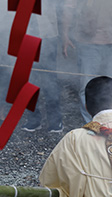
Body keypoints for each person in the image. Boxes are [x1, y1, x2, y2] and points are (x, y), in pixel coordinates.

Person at [62, 0, 112, 124]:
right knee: (86, 86)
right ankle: (91, 124)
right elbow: (68, 8)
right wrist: (65, 35)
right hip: (87, 42)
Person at [18, 0, 63, 132]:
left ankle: (55, 121)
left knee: (50, 81)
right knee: (28, 80)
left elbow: (62, 8)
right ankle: (33, 119)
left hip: (47, 36)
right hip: (25, 37)